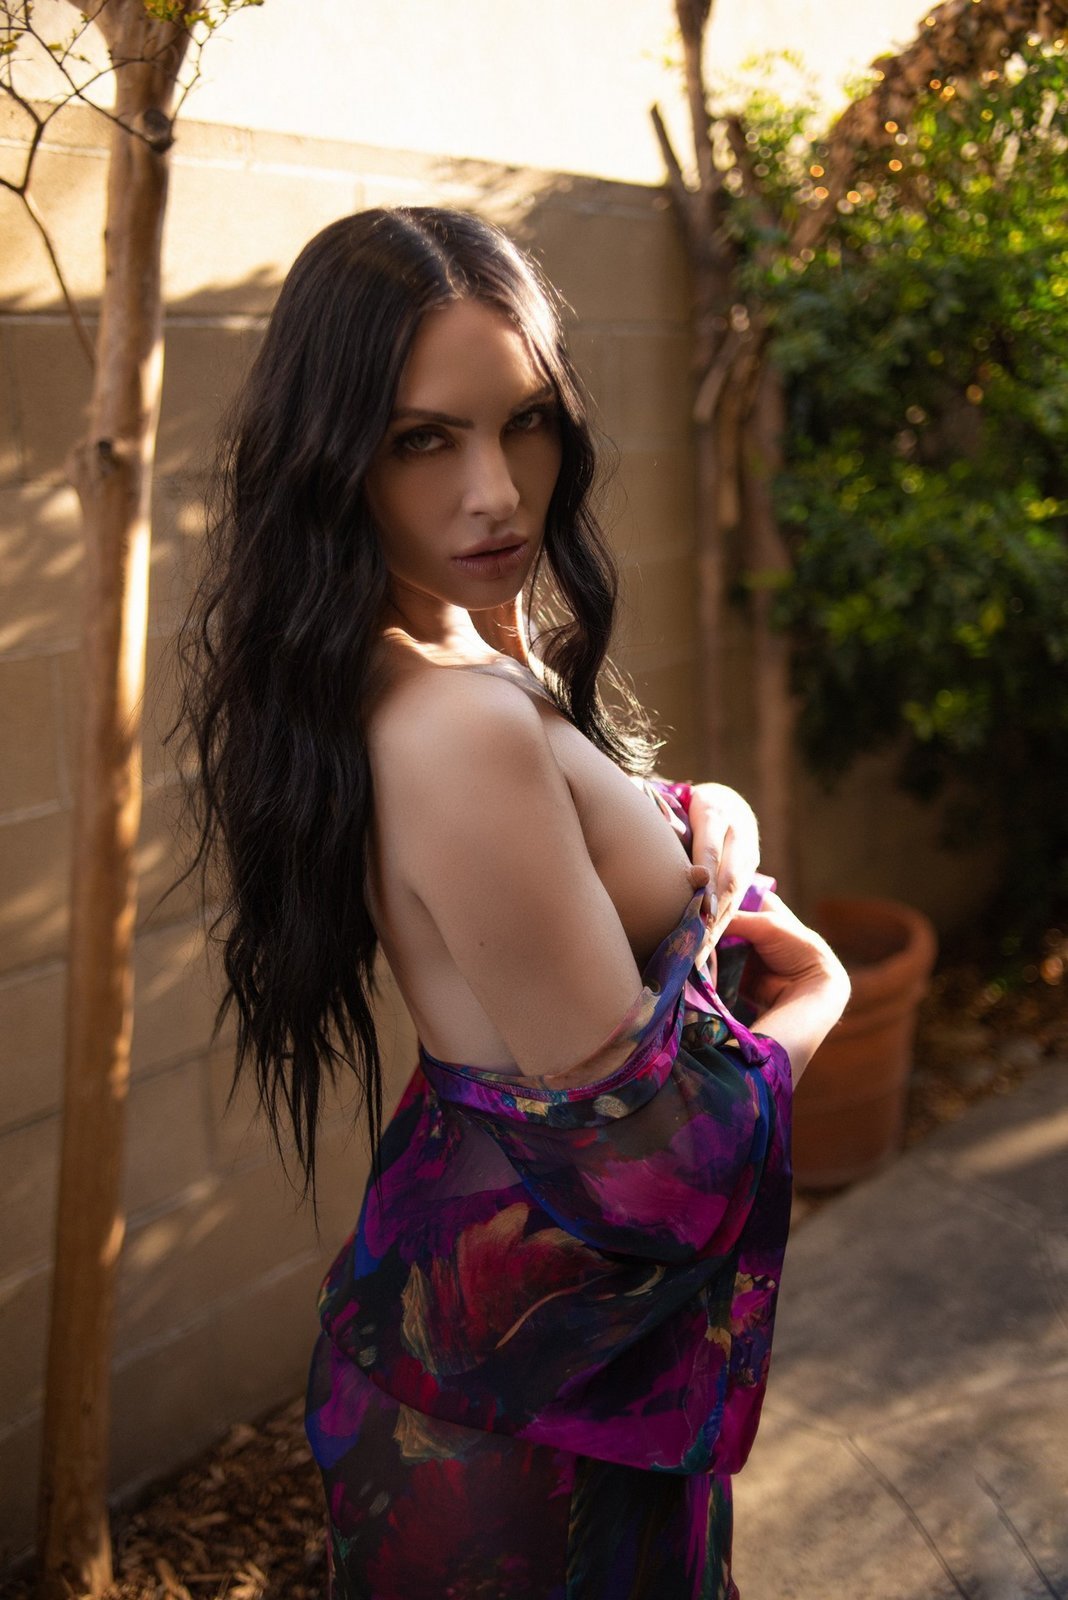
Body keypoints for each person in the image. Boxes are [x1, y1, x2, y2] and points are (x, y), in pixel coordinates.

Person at [176, 207, 849, 1599]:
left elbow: (556, 859)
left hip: (492, 1367)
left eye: (525, 423)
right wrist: (814, 1005)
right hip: (517, 1455)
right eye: (424, 439)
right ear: (335, 453)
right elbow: (652, 1159)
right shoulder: (457, 723)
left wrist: (692, 812)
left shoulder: (431, 653)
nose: (496, 491)